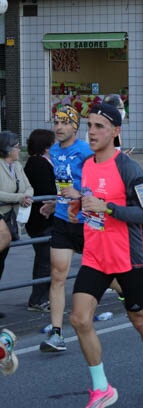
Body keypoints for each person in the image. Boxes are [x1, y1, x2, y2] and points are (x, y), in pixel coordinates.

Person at [68, 103, 143, 408]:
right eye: (90, 125)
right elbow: (89, 202)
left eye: (99, 126)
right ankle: (101, 389)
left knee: (140, 321)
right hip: (96, 257)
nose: (92, 132)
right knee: (80, 319)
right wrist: (77, 207)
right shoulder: (85, 165)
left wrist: (108, 208)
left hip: (129, 260)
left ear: (115, 131)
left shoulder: (129, 169)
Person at [37, 107, 94, 350]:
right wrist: (55, 202)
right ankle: (57, 334)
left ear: (75, 126)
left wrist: (80, 194)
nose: (58, 127)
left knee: (106, 275)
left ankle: (128, 293)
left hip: (86, 222)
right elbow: (64, 185)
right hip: (62, 220)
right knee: (58, 276)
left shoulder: (85, 151)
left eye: (64, 123)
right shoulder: (56, 151)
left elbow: (99, 185)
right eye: (56, 122)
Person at [23, 128, 56, 313]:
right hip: (41, 218)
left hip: (43, 218)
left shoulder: (41, 162)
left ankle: (44, 297)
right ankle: (37, 299)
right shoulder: (38, 164)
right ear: (46, 146)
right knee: (45, 258)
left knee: (48, 258)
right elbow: (46, 189)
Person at [0, 132, 32, 318]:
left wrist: (26, 196)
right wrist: (19, 198)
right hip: (1, 215)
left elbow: (29, 186)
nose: (19, 149)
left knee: (2, 261)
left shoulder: (18, 166)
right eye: (16, 145)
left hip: (11, 218)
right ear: (7, 148)